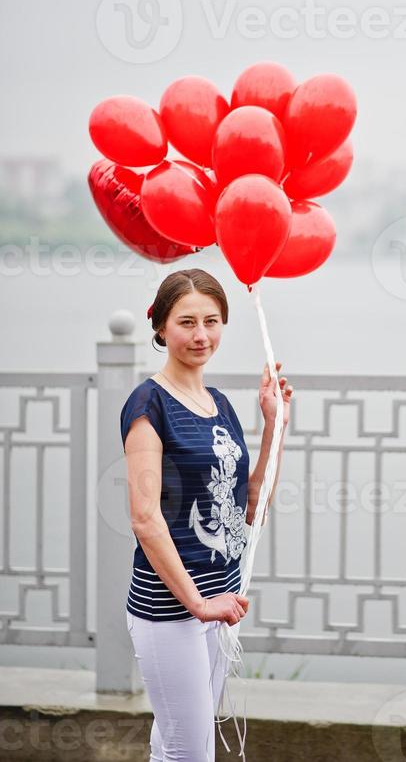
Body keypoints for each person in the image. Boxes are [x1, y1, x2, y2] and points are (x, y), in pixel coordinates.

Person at [120, 268, 293, 761]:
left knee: (172, 746)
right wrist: (197, 604)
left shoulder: (218, 404)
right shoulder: (147, 404)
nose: (201, 335)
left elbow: (251, 505)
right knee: (190, 752)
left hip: (220, 602)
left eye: (212, 321)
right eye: (187, 322)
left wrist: (274, 425)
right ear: (159, 327)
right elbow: (144, 518)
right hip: (172, 609)